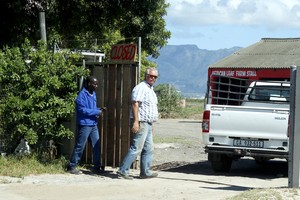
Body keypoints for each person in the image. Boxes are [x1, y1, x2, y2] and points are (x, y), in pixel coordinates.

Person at [117, 68, 159, 179]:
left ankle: (145, 171)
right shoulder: (141, 87)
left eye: (155, 77)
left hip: (148, 123)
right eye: (151, 76)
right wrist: (136, 121)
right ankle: (123, 170)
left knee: (148, 148)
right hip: (141, 122)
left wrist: (152, 124)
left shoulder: (150, 89)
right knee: (136, 147)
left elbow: (149, 108)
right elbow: (135, 104)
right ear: (146, 75)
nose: (153, 78)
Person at [67, 76, 105, 175]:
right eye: (94, 84)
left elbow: (91, 108)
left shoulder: (93, 94)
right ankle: (72, 166)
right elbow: (82, 110)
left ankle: (97, 167)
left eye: (97, 84)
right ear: (89, 84)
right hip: (85, 124)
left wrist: (99, 109)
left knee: (96, 146)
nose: (96, 86)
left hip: (93, 124)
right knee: (80, 146)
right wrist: (96, 111)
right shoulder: (81, 96)